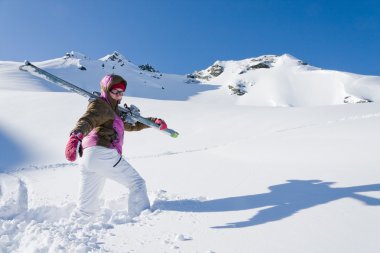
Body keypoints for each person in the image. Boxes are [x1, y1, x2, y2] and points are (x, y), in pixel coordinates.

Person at [65, 74, 167, 219]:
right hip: (102, 153)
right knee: (137, 184)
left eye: (121, 92)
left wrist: (153, 122)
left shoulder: (114, 112)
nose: (119, 96)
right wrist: (76, 136)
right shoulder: (100, 105)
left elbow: (133, 125)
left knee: (86, 208)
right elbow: (88, 119)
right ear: (106, 90)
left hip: (88, 158)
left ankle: (78, 225)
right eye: (115, 92)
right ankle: (143, 221)